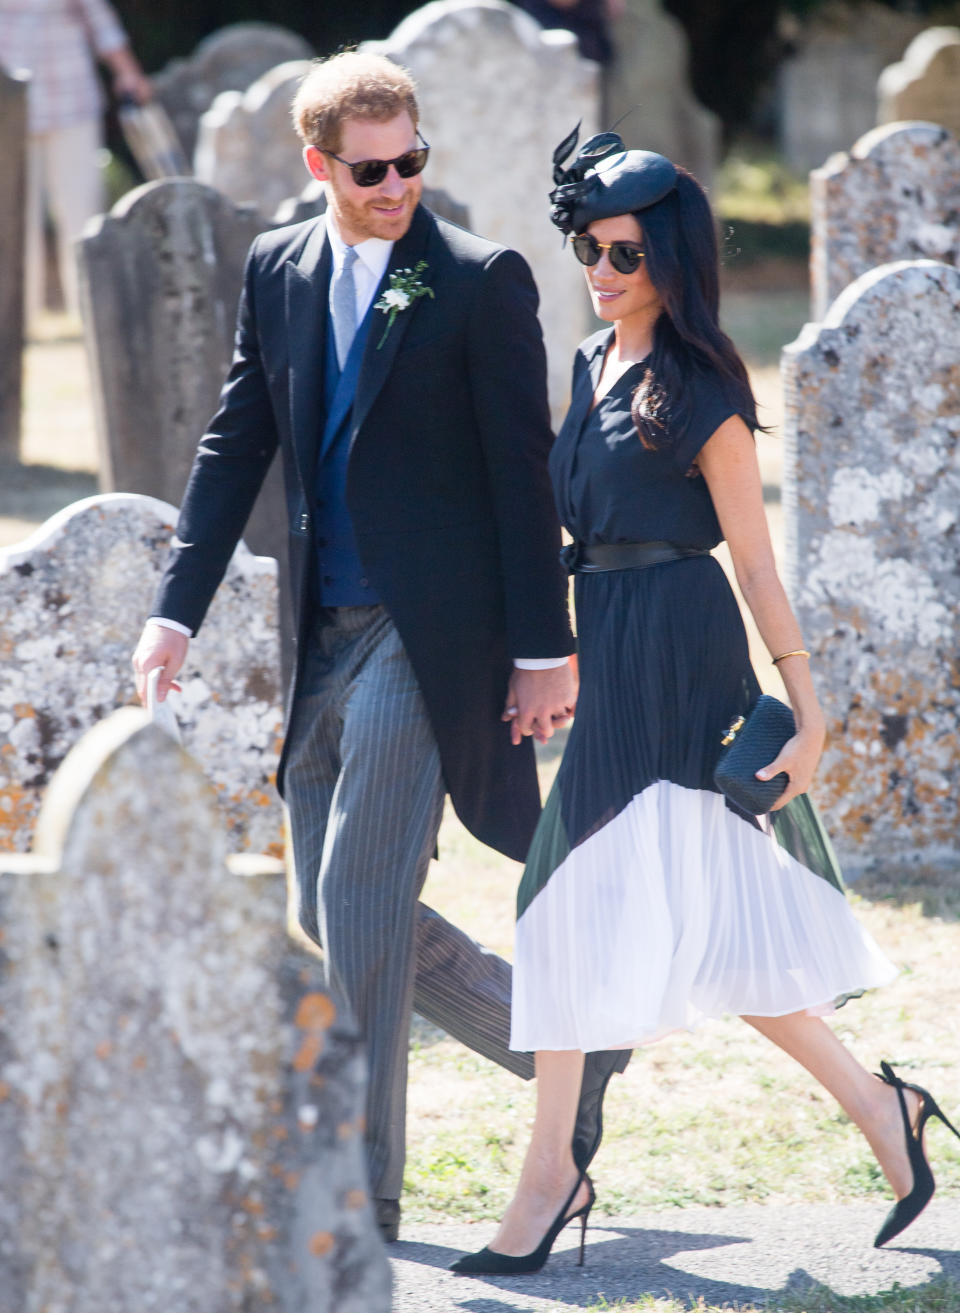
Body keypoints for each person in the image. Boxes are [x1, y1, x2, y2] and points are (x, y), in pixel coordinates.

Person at [131, 53, 628, 1244]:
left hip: (431, 637)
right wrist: (173, 608)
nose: (400, 182)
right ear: (321, 167)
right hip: (323, 636)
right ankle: (562, 1046)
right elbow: (233, 440)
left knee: (358, 900)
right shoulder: (279, 268)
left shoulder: (477, 280)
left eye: (414, 159)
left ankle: (358, 1198)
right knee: (337, 907)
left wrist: (542, 649)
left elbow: (522, 471)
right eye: (374, 167)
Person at [450, 131, 960, 1275]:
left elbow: (758, 562)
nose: (602, 266)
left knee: (557, 909)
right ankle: (889, 1113)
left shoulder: (706, 385)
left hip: (683, 651)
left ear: (671, 256)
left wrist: (811, 710)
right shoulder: (587, 365)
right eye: (588, 245)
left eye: (625, 250)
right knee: (721, 925)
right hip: (610, 644)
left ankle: (549, 1177)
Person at [0, 0, 151, 327]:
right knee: (13, 219)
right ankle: (16, 320)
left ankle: (93, 315)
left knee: (82, 213)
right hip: (8, 107)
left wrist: (128, 72)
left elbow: (99, 21)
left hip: (71, 100)